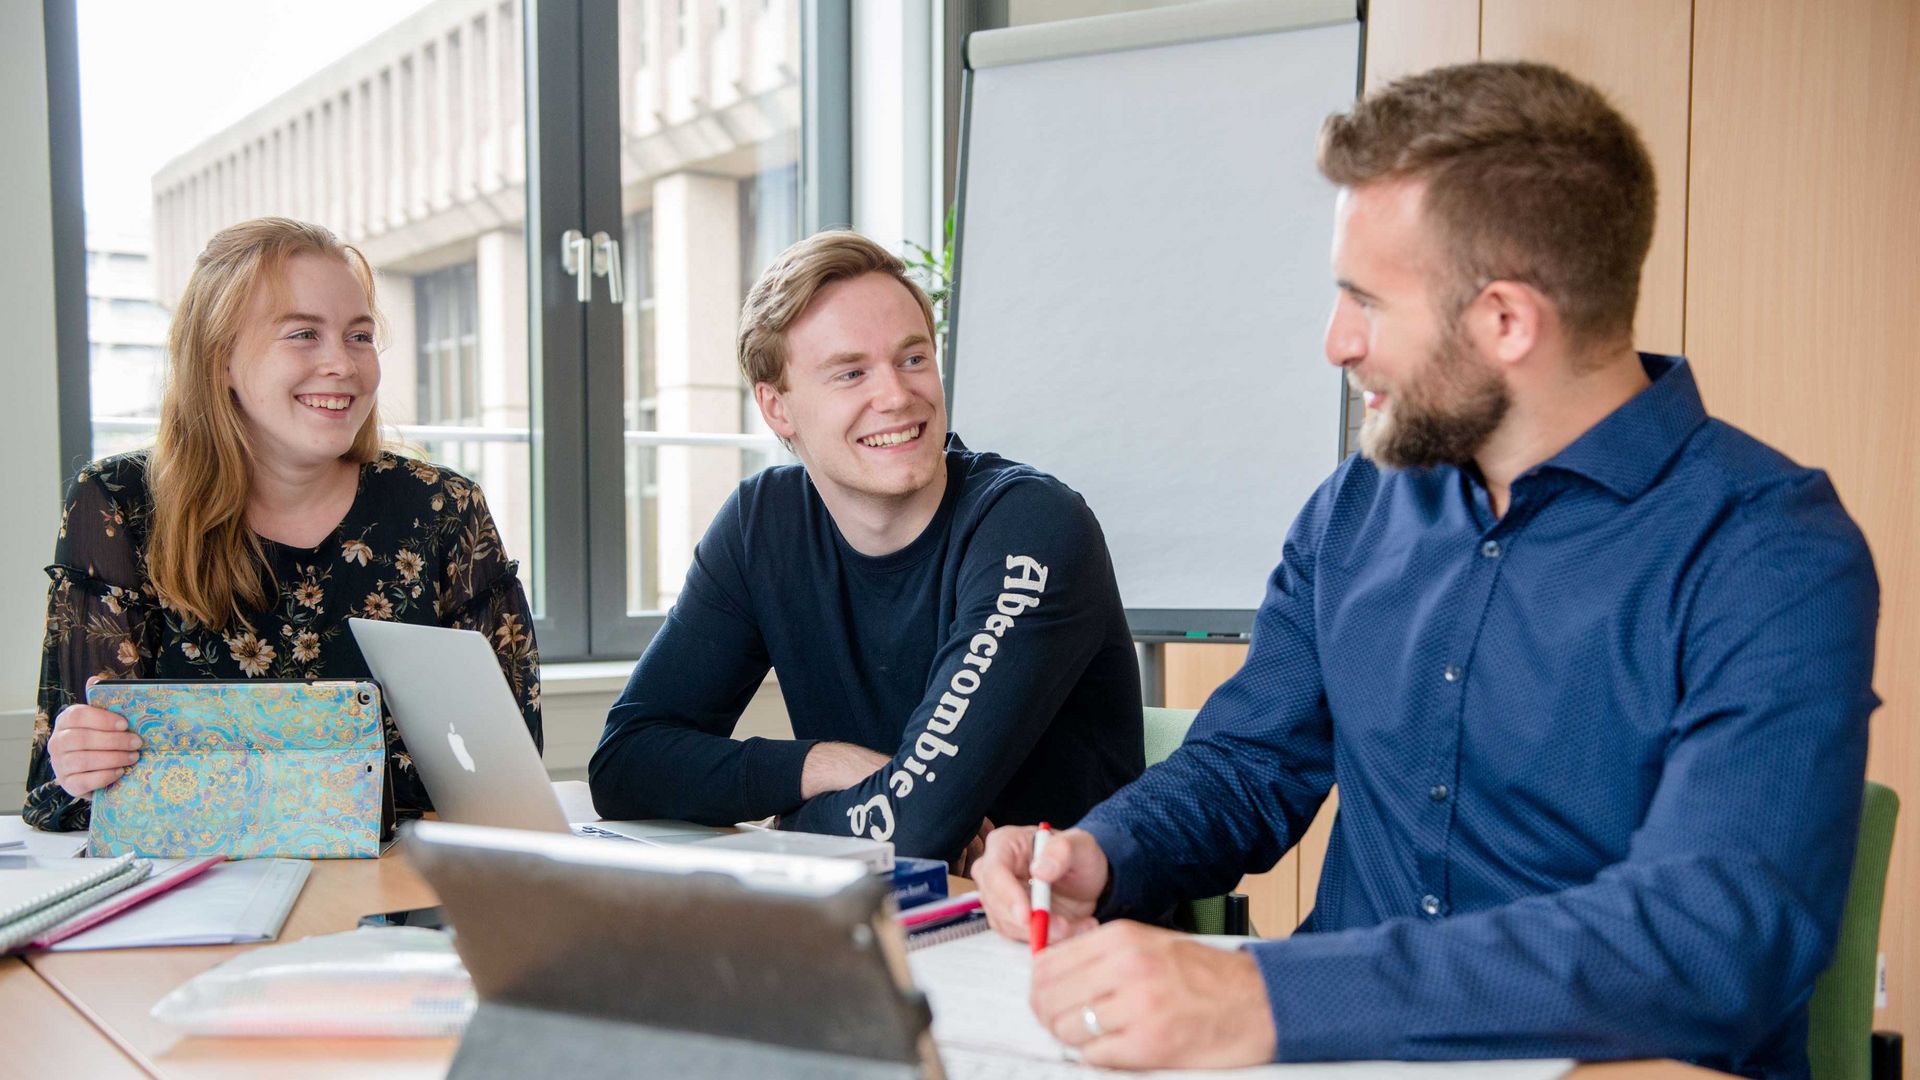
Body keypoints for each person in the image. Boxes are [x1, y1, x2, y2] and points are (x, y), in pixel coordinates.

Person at [971, 61, 1879, 1079]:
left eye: (1364, 300)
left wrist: (1274, 996)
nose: (1335, 341)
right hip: (1327, 1057)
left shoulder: (1771, 551)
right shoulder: (1357, 506)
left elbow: (1711, 939)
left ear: (1504, 321)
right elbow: (1246, 763)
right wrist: (1104, 852)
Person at [588, 230, 1143, 867]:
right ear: (777, 408)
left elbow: (914, 828)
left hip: (1065, 940)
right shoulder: (762, 525)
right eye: (851, 373)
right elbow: (626, 764)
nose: (897, 396)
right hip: (877, 923)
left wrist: (794, 818)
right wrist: (818, 765)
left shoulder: (1031, 526)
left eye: (912, 359)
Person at [25, 217, 541, 831]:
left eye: (359, 336)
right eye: (302, 334)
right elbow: (63, 798)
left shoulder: (445, 509)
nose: (342, 365)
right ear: (219, 359)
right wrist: (82, 765)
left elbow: (510, 777)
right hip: (204, 895)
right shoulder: (118, 503)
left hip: (404, 888)